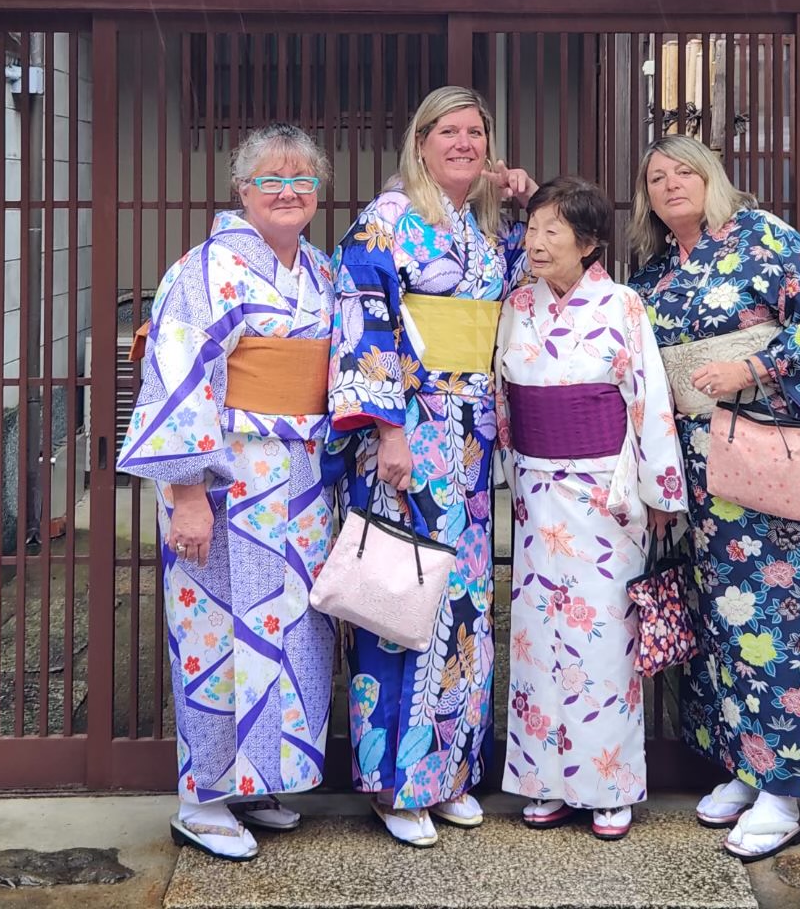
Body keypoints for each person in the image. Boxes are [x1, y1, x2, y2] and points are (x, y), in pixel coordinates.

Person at [628, 135, 800, 864]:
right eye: (656, 178)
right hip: (701, 471)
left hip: (769, 456)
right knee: (723, 618)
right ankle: (747, 765)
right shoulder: (659, 270)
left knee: (783, 615)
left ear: (712, 178)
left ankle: (787, 788)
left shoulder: (767, 240)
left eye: (683, 171)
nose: (671, 184)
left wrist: (758, 366)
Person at [118, 123, 337, 861]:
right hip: (224, 479)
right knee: (214, 637)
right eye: (270, 179)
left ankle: (258, 778)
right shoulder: (203, 271)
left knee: (290, 630)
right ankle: (201, 795)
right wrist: (185, 495)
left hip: (300, 482)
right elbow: (175, 383)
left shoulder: (321, 270)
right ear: (240, 190)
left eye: (302, 179)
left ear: (319, 193)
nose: (287, 191)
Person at [325, 86, 535, 848]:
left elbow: (542, 265)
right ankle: (392, 783)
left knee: (465, 602)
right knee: (400, 598)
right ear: (419, 143)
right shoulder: (386, 221)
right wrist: (386, 430)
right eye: (448, 130)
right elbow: (366, 318)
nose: (464, 142)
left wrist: (531, 193)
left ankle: (447, 773)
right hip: (410, 432)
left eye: (476, 132)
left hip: (470, 436)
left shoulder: (486, 227)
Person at [494, 177, 687, 841]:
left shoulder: (622, 305)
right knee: (536, 633)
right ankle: (542, 778)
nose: (537, 241)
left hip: (605, 492)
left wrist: (662, 492)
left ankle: (607, 785)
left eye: (555, 230)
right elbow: (502, 400)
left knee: (605, 636)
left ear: (590, 242)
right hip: (535, 490)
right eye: (533, 227)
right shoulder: (516, 303)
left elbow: (648, 396)